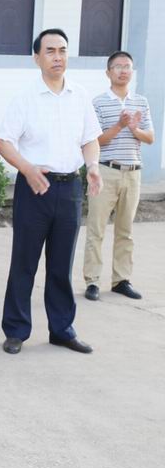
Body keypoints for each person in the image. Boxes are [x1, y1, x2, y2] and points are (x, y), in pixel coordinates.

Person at [0, 28, 103, 356]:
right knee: (24, 263)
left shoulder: (80, 95)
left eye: (62, 50)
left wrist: (93, 166)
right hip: (34, 188)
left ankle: (62, 329)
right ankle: (16, 331)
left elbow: (90, 139)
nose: (58, 57)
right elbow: (3, 141)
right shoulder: (26, 97)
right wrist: (27, 169)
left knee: (61, 265)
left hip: (70, 189)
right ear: (37, 58)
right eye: (50, 51)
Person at [83, 51, 154, 301]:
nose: (123, 71)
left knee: (126, 230)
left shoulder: (141, 102)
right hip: (106, 171)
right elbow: (95, 140)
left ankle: (121, 280)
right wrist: (119, 126)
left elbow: (150, 137)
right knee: (96, 229)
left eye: (127, 66)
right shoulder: (99, 103)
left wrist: (134, 128)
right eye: (118, 66)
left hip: (133, 173)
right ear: (108, 72)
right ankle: (92, 281)